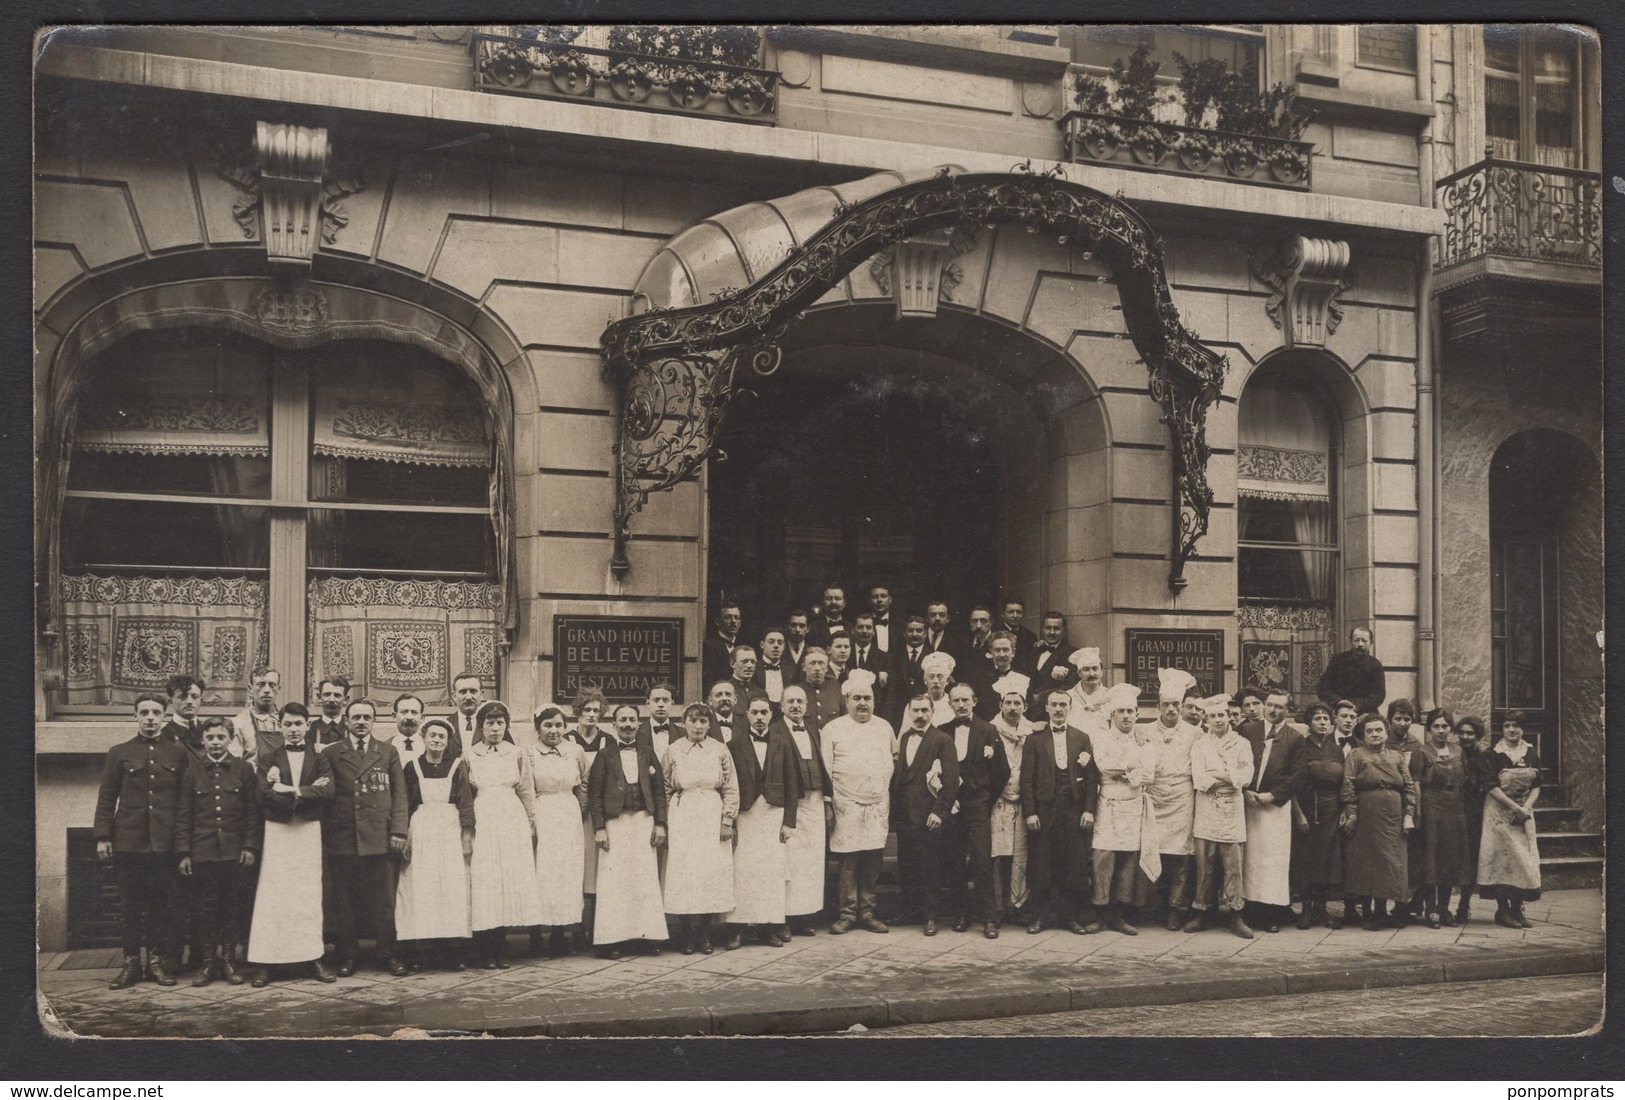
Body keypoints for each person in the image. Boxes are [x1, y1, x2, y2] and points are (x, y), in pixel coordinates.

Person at [95, 693, 190, 989]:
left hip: (165, 844)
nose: (150, 717)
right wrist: (102, 836)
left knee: (163, 905)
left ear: (164, 716)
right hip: (129, 843)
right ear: (134, 716)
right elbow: (107, 797)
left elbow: (185, 803)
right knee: (130, 906)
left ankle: (158, 964)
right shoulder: (119, 752)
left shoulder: (178, 753)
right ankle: (131, 964)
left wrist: (183, 845)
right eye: (144, 712)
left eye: (156, 712)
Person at [247, 702, 336, 987]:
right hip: (278, 831)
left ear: (307, 726)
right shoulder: (269, 758)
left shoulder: (319, 758)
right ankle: (266, 962)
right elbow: (263, 795)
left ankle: (313, 957)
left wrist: (290, 790)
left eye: (299, 724)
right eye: (288, 724)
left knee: (307, 895)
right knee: (273, 896)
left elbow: (328, 790)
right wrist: (303, 795)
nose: (294, 729)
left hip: (308, 830)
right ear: (280, 726)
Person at [322, 698, 410, 977]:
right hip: (344, 836)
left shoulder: (387, 751)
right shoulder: (331, 753)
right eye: (356, 717)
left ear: (374, 721)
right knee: (345, 901)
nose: (361, 722)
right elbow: (326, 797)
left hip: (378, 836)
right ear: (347, 721)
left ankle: (388, 953)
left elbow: (399, 795)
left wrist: (398, 831)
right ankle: (348, 955)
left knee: (384, 900)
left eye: (367, 718)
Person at [175, 717, 262, 986]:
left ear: (230, 739)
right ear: (203, 740)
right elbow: (184, 816)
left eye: (220, 737)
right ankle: (208, 963)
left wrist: (249, 846)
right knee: (206, 909)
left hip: (235, 854)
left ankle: (228, 962)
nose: (215, 743)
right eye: (210, 737)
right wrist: (184, 852)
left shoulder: (244, 769)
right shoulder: (192, 772)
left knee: (232, 908)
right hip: (204, 853)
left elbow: (252, 813)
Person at [589, 702, 669, 959]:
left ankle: (646, 937)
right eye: (622, 720)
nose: (627, 725)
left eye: (631, 720)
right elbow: (595, 795)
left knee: (644, 879)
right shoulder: (605, 755)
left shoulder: (647, 752)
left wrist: (659, 823)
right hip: (615, 823)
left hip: (643, 821)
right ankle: (611, 940)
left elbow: (659, 791)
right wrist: (599, 828)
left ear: (638, 723)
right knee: (614, 882)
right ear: (613, 725)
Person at [464, 701, 541, 968]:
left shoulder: (516, 753)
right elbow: (466, 794)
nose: (495, 728)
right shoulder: (470, 755)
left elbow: (527, 791)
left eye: (500, 723)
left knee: (508, 878)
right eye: (489, 723)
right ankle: (485, 945)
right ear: (481, 726)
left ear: (506, 725)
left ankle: (502, 944)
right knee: (486, 879)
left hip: (511, 819)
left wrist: (532, 824)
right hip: (483, 818)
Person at [394, 717, 474, 971]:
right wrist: (404, 835)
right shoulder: (412, 767)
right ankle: (421, 952)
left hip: (449, 831)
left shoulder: (457, 766)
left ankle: (452, 951)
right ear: (424, 738)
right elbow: (404, 804)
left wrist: (466, 835)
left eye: (442, 737)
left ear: (448, 741)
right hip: (422, 830)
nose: (437, 740)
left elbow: (465, 802)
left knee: (450, 887)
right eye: (432, 736)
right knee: (422, 887)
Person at [821, 669, 895, 935]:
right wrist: (829, 803)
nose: (863, 703)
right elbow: (825, 769)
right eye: (857, 698)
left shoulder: (884, 726)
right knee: (849, 862)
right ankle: (847, 913)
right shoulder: (833, 729)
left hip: (876, 804)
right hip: (845, 804)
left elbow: (892, 761)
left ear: (874, 701)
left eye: (867, 698)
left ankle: (867, 911)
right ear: (847, 701)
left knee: (872, 859)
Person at [1020, 689, 1099, 935]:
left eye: (1063, 704)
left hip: (1073, 809)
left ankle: (1071, 918)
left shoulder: (1082, 737)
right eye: (1053, 705)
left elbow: (1091, 778)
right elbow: (1027, 780)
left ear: (1070, 707)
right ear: (1046, 708)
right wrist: (1030, 812)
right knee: (1042, 863)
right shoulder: (1035, 739)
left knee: (1073, 864)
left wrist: (1088, 810)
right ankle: (1041, 916)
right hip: (1044, 809)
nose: (1058, 709)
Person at [725, 695, 799, 948]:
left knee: (771, 871)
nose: (759, 717)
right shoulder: (734, 745)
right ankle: (738, 928)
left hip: (773, 814)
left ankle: (769, 927)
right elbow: (729, 786)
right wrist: (731, 821)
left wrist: (789, 821)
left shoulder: (783, 743)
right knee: (742, 870)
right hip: (745, 814)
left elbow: (792, 783)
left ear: (771, 715)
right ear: (747, 715)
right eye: (754, 712)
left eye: (763, 712)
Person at [1136, 668, 1201, 931]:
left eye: (1176, 704)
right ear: (1157, 706)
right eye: (1166, 705)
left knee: (1180, 857)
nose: (1172, 709)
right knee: (1152, 850)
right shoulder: (1144, 731)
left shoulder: (1196, 734)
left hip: (1181, 799)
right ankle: (1151, 906)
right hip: (1153, 798)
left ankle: (1174, 908)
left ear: (1183, 706)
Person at [1089, 682, 1157, 935]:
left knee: (1128, 861)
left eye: (1131, 711)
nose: (1127, 716)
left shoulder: (1145, 741)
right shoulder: (1101, 739)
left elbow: (1149, 774)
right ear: (1112, 715)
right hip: (1107, 805)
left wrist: (1126, 769)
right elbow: (1104, 765)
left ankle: (1119, 914)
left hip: (1133, 806)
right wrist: (1132, 767)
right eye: (1121, 711)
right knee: (1103, 859)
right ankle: (1099, 912)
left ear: (1137, 715)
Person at [1185, 694, 1254, 939]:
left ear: (1229, 717)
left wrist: (1221, 775)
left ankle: (1236, 914)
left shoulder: (1241, 744)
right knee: (1205, 864)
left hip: (1233, 810)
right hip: (1206, 809)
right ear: (1206, 719)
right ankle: (1201, 912)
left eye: (1221, 715)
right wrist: (1228, 776)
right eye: (1212, 716)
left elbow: (1244, 778)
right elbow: (1200, 780)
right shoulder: (1201, 745)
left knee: (1233, 866)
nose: (1217, 720)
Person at [1340, 712, 1417, 931]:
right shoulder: (1355, 755)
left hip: (1393, 815)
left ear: (1386, 732)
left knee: (1390, 862)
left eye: (1379, 730)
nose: (1375, 734)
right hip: (1367, 814)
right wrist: (1352, 814)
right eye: (1370, 731)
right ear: (1363, 735)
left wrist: (1408, 814)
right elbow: (1348, 785)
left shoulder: (1397, 757)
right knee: (1367, 862)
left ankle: (1382, 911)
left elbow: (1409, 786)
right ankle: (1367, 912)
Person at [891, 694, 959, 935]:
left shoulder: (942, 740)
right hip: (905, 816)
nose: (920, 715)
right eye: (916, 711)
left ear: (932, 713)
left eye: (924, 711)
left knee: (930, 869)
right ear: (909, 713)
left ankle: (931, 917)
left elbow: (950, 781)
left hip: (929, 817)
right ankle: (910, 911)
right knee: (907, 866)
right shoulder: (906, 737)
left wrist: (939, 812)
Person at [941, 680, 1004, 936]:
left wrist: (985, 798)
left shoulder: (988, 730)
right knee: (955, 861)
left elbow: (1002, 770)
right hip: (952, 806)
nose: (961, 704)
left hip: (977, 805)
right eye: (956, 700)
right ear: (950, 704)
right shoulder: (942, 731)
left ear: (974, 702)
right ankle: (961, 914)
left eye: (966, 700)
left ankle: (988, 918)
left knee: (981, 860)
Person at [1240, 690, 1306, 933]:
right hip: (1248, 804)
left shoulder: (1295, 738)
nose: (1272, 710)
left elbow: (1298, 774)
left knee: (1272, 861)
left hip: (1275, 809)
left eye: (1279, 707)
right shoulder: (1246, 731)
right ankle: (1248, 910)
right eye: (1269, 705)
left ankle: (1270, 913)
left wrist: (1274, 795)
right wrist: (1245, 791)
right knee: (1249, 859)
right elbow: (1235, 761)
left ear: (1287, 711)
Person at [529, 706, 589, 956]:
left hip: (569, 813)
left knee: (568, 873)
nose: (554, 731)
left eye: (558, 725)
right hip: (543, 812)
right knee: (542, 873)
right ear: (538, 728)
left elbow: (584, 782)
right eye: (548, 725)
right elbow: (525, 787)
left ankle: (562, 933)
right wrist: (532, 820)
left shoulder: (575, 751)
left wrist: (581, 810)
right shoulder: (529, 753)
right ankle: (536, 934)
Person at [1477, 710, 1543, 929]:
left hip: (1523, 815)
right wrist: (1515, 807)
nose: (1512, 730)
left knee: (1522, 861)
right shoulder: (1492, 753)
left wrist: (1526, 808)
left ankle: (1517, 908)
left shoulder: (1531, 752)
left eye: (1516, 725)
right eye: (1507, 725)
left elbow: (1537, 785)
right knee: (1501, 861)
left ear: (1523, 728)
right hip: (1499, 814)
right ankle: (1503, 910)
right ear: (1502, 729)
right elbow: (1491, 787)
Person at [1413, 707, 1474, 928]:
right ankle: (1431, 910)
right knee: (1432, 859)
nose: (1441, 730)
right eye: (1436, 726)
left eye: (1445, 726)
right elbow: (1417, 783)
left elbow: (1465, 780)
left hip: (1455, 809)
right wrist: (1418, 811)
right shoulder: (1421, 752)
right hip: (1432, 808)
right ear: (1429, 729)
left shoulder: (1458, 751)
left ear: (1450, 729)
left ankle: (1444, 908)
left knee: (1450, 858)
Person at [777, 684, 829, 936]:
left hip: (815, 802)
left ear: (806, 707)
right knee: (789, 859)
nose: (796, 705)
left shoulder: (813, 731)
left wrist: (827, 800)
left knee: (812, 860)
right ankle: (783, 917)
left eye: (800, 701)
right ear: (782, 706)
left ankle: (807, 916)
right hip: (791, 803)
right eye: (791, 701)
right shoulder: (775, 731)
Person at [1291, 702, 1347, 929]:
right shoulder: (1300, 747)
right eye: (1317, 718)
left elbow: (1345, 781)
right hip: (1307, 807)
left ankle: (1321, 910)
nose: (1323, 722)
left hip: (1332, 810)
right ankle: (1305, 910)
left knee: (1327, 860)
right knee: (1307, 860)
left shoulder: (1336, 750)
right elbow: (1292, 783)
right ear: (1308, 723)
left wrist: (1344, 809)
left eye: (1326, 718)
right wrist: (1298, 814)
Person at [987, 675, 1032, 935]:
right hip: (998, 802)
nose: (1013, 707)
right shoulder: (990, 730)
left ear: (1024, 706)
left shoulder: (1033, 732)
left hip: (1022, 803)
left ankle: (1018, 905)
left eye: (1018, 703)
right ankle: (996, 909)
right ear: (1000, 705)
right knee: (997, 856)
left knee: (1020, 856)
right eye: (1008, 702)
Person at [569, 685, 613, 937]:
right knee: (578, 864)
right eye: (587, 710)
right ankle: (576, 927)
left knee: (598, 868)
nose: (592, 715)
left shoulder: (608, 739)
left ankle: (597, 926)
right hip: (575, 813)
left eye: (596, 710)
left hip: (600, 814)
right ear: (578, 712)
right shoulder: (567, 739)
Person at [1453, 715, 1494, 924]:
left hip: (1475, 815)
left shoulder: (1484, 757)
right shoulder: (1452, 753)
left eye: (1470, 733)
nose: (1465, 737)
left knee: (1469, 860)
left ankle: (1463, 904)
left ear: (1478, 736)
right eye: (1462, 732)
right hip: (1453, 812)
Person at [1316, 626, 1386, 715]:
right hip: (1336, 710)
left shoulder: (1375, 666)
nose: (1360, 644)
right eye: (1356, 640)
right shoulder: (1338, 660)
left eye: (1364, 641)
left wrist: (1356, 705)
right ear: (1350, 641)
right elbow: (1322, 688)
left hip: (1364, 712)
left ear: (1371, 643)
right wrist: (1339, 702)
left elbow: (1378, 696)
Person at [1024, 612, 1077, 721]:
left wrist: (1040, 698)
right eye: (1048, 628)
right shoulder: (1034, 651)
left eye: (1056, 628)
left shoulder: (1072, 654)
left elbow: (1070, 685)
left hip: (1052, 713)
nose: (1052, 632)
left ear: (1064, 630)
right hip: (1028, 713)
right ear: (1043, 629)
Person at [230, 666, 282, 765]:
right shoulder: (238, 723)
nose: (267, 690)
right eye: (261, 685)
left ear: (278, 689)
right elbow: (235, 766)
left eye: (272, 685)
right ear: (250, 689)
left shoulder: (288, 721)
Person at [966, 631, 1019, 721]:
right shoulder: (978, 678)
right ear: (991, 652)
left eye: (1005, 650)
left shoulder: (1023, 678)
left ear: (1013, 652)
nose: (1002, 655)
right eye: (997, 650)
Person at [1064, 647, 1112, 738]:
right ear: (1079, 673)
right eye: (1086, 669)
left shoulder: (1110, 697)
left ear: (1101, 672)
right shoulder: (1067, 697)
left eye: (1095, 669)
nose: (1091, 674)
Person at [849, 613, 890, 713]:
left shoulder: (884, 658)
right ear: (853, 630)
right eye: (860, 627)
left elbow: (890, 695)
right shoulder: (846, 654)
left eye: (868, 627)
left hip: (875, 713)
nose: (864, 631)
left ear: (874, 632)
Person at [701, 602, 743, 696]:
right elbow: (708, 681)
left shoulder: (742, 646)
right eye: (728, 617)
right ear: (717, 622)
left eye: (736, 617)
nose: (733, 621)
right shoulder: (710, 646)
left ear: (740, 623)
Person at [161, 674, 206, 757]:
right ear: (171, 701)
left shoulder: (209, 732)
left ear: (201, 700)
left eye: (194, 697)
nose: (189, 701)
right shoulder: (163, 737)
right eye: (182, 697)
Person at [799, 647, 842, 730]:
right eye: (812, 663)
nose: (817, 668)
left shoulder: (835, 689)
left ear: (827, 668)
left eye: (821, 663)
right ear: (803, 667)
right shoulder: (797, 691)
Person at [636, 681, 679, 761]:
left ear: (672, 704)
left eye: (665, 700)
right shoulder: (636, 733)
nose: (661, 704)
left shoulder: (683, 734)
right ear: (648, 703)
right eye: (656, 700)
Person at [753, 626, 794, 711]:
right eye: (771, 642)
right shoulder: (753, 669)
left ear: (784, 646)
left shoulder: (791, 671)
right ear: (762, 644)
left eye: (780, 643)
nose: (776, 645)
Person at [449, 671, 491, 753]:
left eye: (473, 691)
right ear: (454, 696)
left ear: (481, 694)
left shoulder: (494, 724)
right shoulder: (446, 725)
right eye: (463, 692)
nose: (468, 697)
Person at [308, 676, 350, 749]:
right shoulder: (310, 730)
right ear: (319, 697)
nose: (331, 700)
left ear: (346, 699)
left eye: (337, 695)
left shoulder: (351, 729)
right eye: (327, 694)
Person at [996, 597, 1037, 669]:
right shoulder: (994, 633)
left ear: (1023, 614)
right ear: (1003, 614)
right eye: (1011, 612)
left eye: (1019, 612)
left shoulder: (1031, 636)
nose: (1015, 615)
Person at [920, 650, 957, 728]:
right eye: (931, 677)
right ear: (925, 680)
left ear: (947, 681)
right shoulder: (917, 703)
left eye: (940, 677)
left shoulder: (953, 704)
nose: (936, 681)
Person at [807, 585, 850, 650]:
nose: (833, 602)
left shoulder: (851, 626)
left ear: (844, 603)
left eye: (837, 598)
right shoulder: (813, 627)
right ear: (822, 602)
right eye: (829, 598)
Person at [391, 693, 427, 768]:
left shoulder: (429, 746)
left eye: (414, 712)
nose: (409, 717)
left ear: (422, 718)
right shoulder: (385, 748)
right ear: (394, 717)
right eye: (404, 712)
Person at [707, 679, 748, 744]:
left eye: (728, 694)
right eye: (719, 695)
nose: (724, 698)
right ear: (710, 701)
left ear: (735, 699)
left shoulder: (746, 724)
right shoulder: (704, 724)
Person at [866, 584, 894, 653]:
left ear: (890, 600)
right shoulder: (864, 623)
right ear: (869, 601)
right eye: (875, 597)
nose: (879, 600)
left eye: (883, 596)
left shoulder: (900, 623)